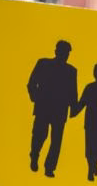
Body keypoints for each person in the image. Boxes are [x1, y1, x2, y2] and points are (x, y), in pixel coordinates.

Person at [28, 39, 79, 177]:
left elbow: (73, 92)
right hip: (44, 107)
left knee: (55, 141)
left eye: (67, 53)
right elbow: (32, 83)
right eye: (64, 52)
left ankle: (49, 167)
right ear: (56, 51)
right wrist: (35, 97)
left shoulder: (71, 71)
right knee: (40, 135)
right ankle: (35, 155)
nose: (65, 55)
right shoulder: (43, 63)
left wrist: (74, 107)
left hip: (59, 109)